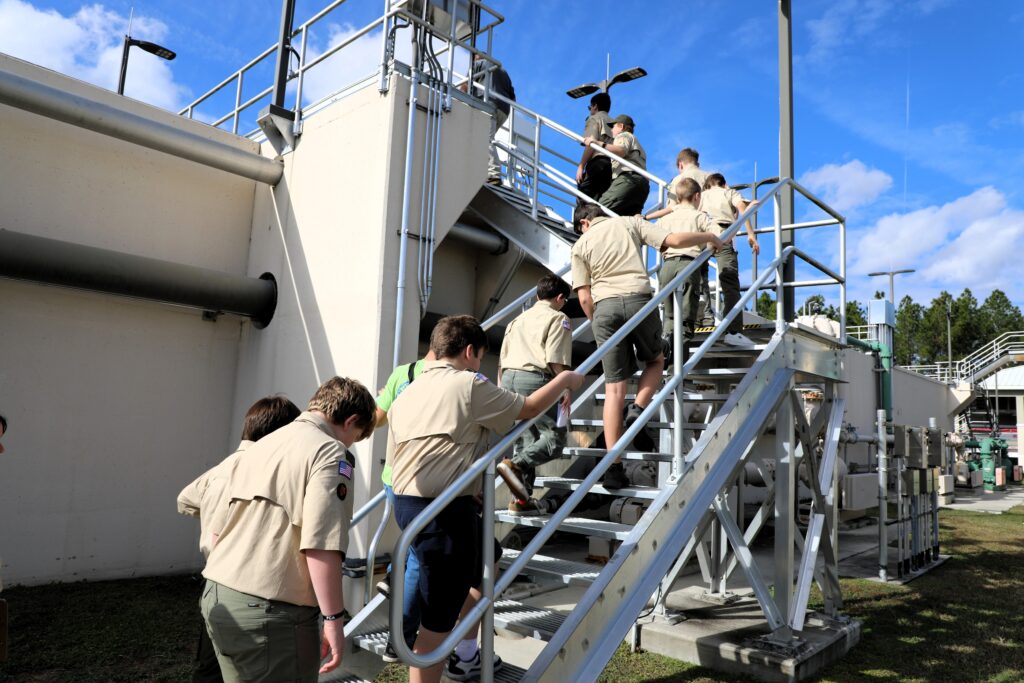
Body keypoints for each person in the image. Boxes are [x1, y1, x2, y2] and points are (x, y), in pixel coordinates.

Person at [388, 315, 584, 683]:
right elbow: (525, 408)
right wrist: (564, 381)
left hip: (416, 504)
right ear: (469, 351)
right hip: (441, 513)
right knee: (435, 624)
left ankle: (463, 652)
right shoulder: (467, 384)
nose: (482, 365)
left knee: (488, 559)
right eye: (481, 357)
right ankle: (445, 655)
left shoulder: (409, 390)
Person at [200, 377, 376, 683]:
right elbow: (322, 543)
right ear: (350, 421)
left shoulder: (261, 444)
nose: (350, 445)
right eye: (356, 437)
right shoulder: (329, 452)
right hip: (271, 615)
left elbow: (218, 527)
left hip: (218, 594)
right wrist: (334, 619)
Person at [571, 203, 721, 488]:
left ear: (583, 223)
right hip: (639, 299)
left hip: (604, 308)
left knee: (614, 388)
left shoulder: (581, 244)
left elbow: (584, 298)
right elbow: (673, 240)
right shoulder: (629, 222)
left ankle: (613, 469)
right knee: (655, 360)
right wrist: (709, 238)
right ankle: (638, 410)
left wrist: (599, 323)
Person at [177, 396, 302, 683]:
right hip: (246, 584)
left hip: (214, 581)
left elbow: (185, 500)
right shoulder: (261, 468)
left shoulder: (222, 467)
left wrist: (211, 517)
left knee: (209, 667)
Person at [371, 349, 437, 662]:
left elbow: (376, 420)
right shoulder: (451, 377)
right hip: (423, 483)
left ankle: (392, 576)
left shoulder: (404, 372)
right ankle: (399, 640)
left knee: (411, 548)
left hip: (392, 477)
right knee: (415, 557)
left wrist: (388, 398)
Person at [496, 274, 574, 513]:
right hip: (536, 379)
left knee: (526, 438)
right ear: (560, 297)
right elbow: (554, 360)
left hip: (509, 379)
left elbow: (502, 361)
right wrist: (566, 387)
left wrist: (502, 388)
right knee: (554, 439)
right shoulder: (559, 318)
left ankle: (521, 501)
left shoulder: (517, 320)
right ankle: (514, 465)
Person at [651, 178, 723, 354]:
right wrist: (710, 247)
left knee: (668, 317)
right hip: (688, 266)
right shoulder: (699, 216)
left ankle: (665, 361)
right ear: (697, 196)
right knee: (684, 321)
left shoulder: (665, 218)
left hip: (667, 266)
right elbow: (719, 236)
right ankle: (676, 372)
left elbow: (655, 240)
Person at [699, 173, 760, 344]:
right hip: (724, 236)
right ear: (724, 183)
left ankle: (704, 318)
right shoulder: (729, 192)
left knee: (699, 277)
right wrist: (751, 235)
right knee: (729, 283)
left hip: (702, 236)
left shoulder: (702, 196)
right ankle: (732, 330)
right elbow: (742, 209)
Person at [464, 53, 516, 185]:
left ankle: (494, 174)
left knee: (485, 139)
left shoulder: (478, 65)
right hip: (504, 110)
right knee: (485, 139)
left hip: (488, 104)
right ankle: (484, 171)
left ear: (478, 57)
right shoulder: (504, 72)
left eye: (474, 57)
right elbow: (513, 97)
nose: (473, 59)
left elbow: (464, 85)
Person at [587, 114, 649, 217]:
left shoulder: (623, 136)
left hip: (628, 179)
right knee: (626, 221)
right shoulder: (638, 144)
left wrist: (597, 143)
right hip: (642, 186)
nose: (611, 130)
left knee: (598, 212)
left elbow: (621, 151)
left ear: (621, 126)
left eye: (613, 126)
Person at [575, 92, 614, 203]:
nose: (590, 110)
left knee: (584, 198)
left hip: (598, 163)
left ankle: (582, 220)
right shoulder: (615, 124)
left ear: (595, 106)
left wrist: (581, 166)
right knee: (602, 200)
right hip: (612, 166)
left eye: (589, 107)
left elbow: (591, 144)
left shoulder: (594, 118)